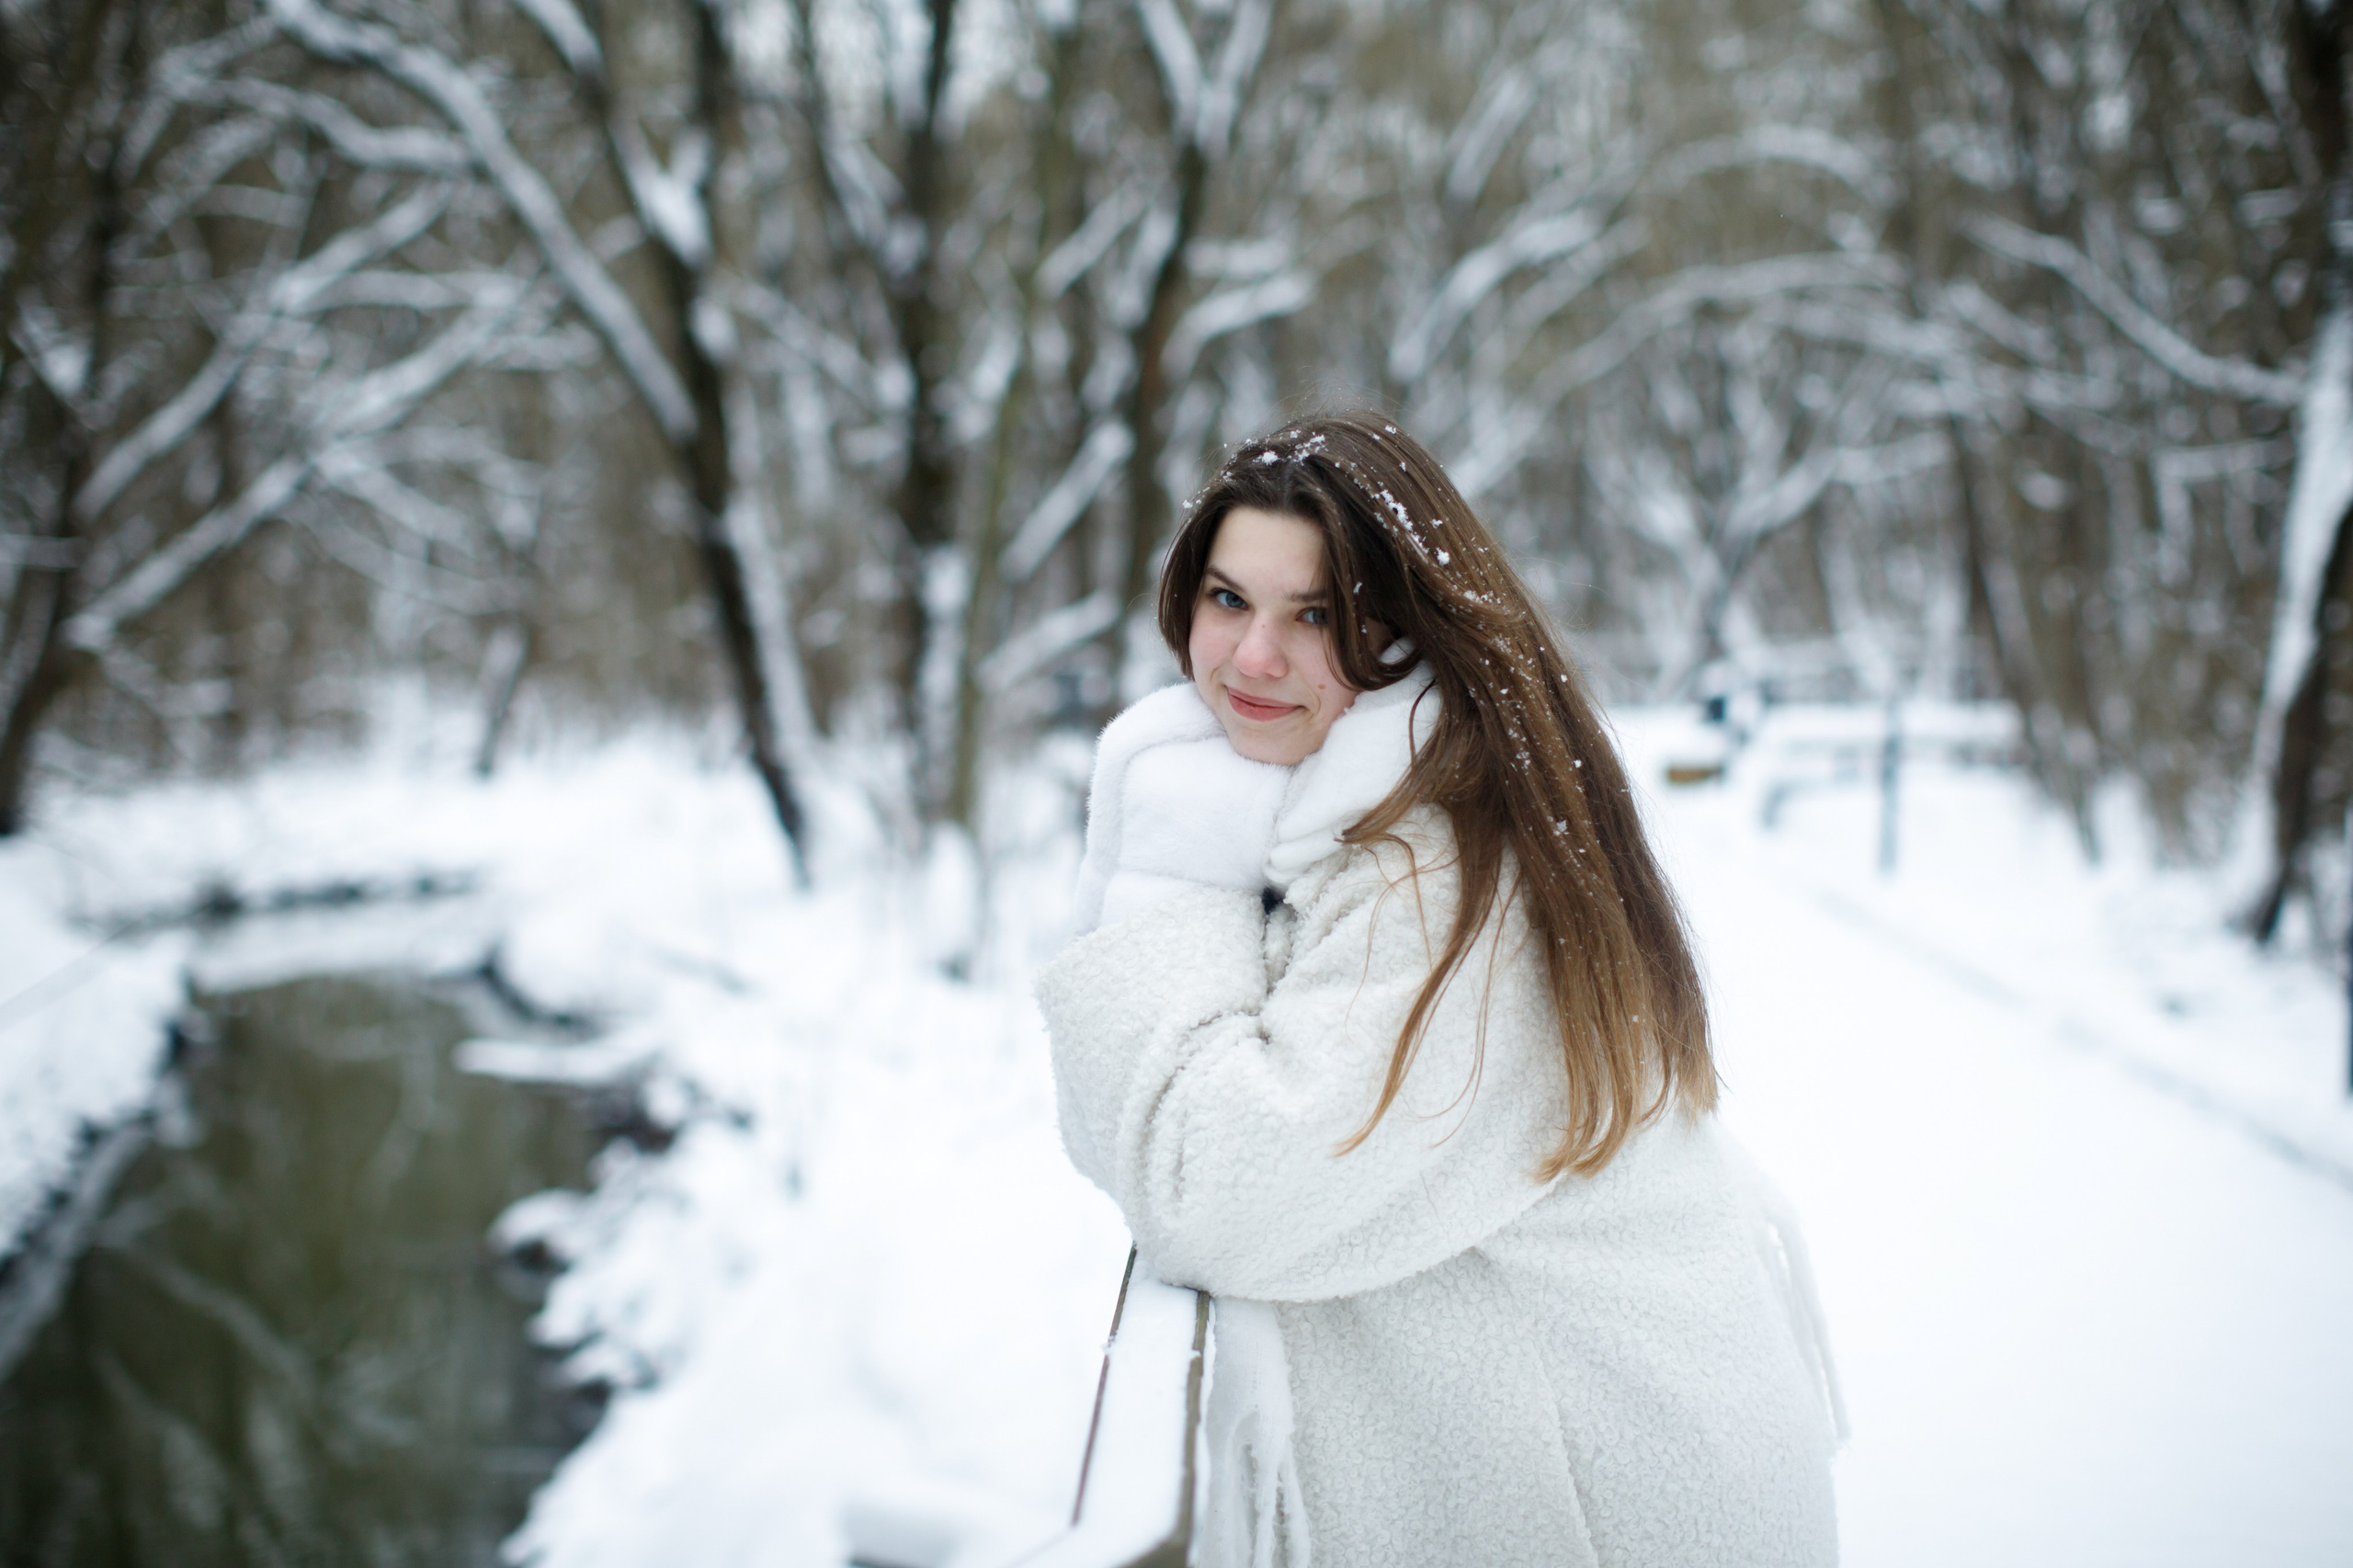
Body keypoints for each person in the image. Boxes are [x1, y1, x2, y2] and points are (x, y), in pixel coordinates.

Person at [1037, 410, 1844, 1568]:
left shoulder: (1446, 874)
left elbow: (1204, 1191)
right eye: (1227, 600)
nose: (1253, 656)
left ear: (1410, 632)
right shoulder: (1410, 799)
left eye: (1315, 615)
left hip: (1615, 1512)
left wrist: (1173, 864)